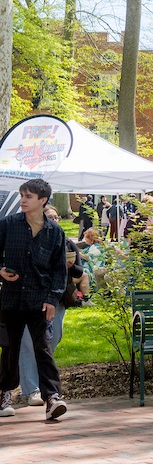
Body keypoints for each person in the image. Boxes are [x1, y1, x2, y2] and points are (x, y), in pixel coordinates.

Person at [0, 179, 68, 419]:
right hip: (10, 299)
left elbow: (60, 270)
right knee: (9, 348)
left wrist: (52, 299)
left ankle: (52, 398)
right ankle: (5, 393)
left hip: (40, 300)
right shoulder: (8, 225)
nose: (23, 200)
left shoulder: (55, 232)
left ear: (43, 200)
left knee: (43, 348)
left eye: (28, 196)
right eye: (21, 195)